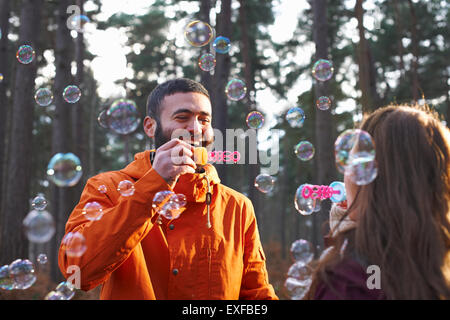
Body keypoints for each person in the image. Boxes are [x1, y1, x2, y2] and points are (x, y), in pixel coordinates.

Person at [58, 78, 278, 300]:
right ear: (150, 126)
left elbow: (257, 295)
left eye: (204, 120)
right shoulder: (107, 187)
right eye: (182, 118)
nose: (195, 129)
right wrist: (155, 183)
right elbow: (77, 273)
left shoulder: (237, 206)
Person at [307, 104, 450, 300]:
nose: (346, 175)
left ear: (376, 181)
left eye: (354, 161)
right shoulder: (439, 267)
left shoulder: (346, 284)